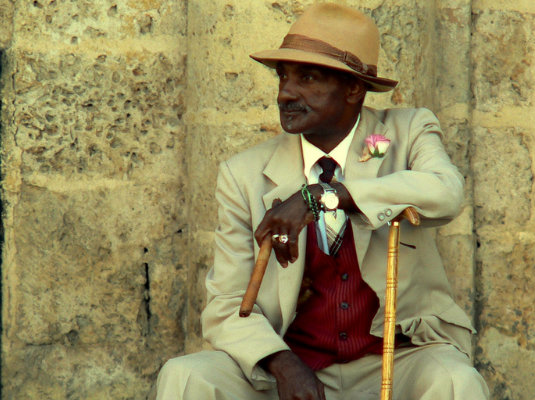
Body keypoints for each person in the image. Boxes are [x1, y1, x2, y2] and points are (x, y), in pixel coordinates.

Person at [156, 3, 489, 399]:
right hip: (293, 363)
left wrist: (325, 195)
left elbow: (445, 192)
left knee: (457, 382)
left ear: (354, 89)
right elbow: (226, 305)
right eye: (283, 77)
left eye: (308, 78)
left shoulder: (405, 133)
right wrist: (282, 363)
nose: (285, 93)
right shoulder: (243, 173)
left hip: (397, 360)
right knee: (186, 376)